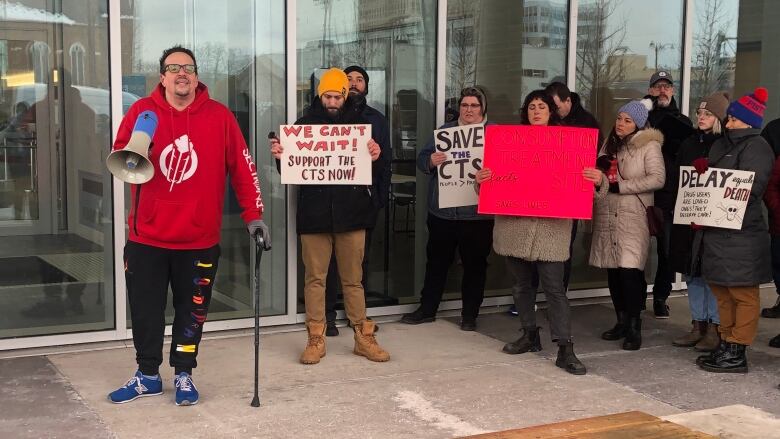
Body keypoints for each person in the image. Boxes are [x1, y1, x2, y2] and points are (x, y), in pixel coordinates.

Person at [107, 46, 270, 406]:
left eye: (189, 68)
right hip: (147, 238)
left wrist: (253, 214)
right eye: (174, 67)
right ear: (162, 76)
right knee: (146, 311)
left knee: (192, 312)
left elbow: (243, 169)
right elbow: (122, 155)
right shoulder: (141, 111)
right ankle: (147, 374)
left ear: (196, 76)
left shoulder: (220, 117)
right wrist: (139, 149)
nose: (182, 73)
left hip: (198, 240)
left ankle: (183, 373)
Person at [270, 67, 389, 365]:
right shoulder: (303, 126)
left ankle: (363, 336)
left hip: (353, 213)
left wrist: (375, 156)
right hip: (315, 214)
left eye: (337, 96)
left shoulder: (362, 126)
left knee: (353, 280)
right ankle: (315, 338)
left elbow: (370, 172)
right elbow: (291, 172)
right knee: (315, 279)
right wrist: (280, 158)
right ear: (320, 96)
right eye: (327, 96)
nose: (332, 101)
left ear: (346, 95)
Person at [476, 90, 595, 375]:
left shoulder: (570, 144)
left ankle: (565, 348)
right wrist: (482, 181)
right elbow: (490, 185)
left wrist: (597, 179)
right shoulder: (508, 143)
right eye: (531, 107)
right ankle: (530, 334)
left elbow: (590, 193)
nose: (536, 111)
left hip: (550, 231)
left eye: (542, 106)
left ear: (551, 112)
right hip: (515, 228)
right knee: (520, 286)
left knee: (554, 289)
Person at [399, 86, 494, 331]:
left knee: (475, 266)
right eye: (465, 105)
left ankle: (470, 315)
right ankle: (427, 309)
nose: (469, 110)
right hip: (442, 212)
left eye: (474, 105)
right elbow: (422, 159)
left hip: (477, 214)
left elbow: (506, 169)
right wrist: (431, 161)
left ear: (482, 108)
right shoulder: (445, 131)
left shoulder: (493, 134)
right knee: (437, 263)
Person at [696, 88, 774, 373]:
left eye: (732, 120)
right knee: (722, 291)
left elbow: (751, 189)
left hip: (742, 233)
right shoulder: (722, 145)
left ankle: (738, 349)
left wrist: (714, 187)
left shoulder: (757, 147)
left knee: (742, 293)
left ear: (746, 121)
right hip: (717, 231)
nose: (727, 123)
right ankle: (726, 342)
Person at [591, 99, 665, 351]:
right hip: (607, 212)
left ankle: (634, 325)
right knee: (613, 270)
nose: (621, 124)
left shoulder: (649, 145)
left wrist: (620, 186)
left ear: (638, 124)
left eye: (627, 120)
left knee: (630, 271)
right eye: (619, 118)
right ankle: (621, 320)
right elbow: (597, 174)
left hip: (633, 215)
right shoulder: (609, 144)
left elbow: (657, 178)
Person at [324, 65, 392, 337]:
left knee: (357, 265)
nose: (354, 83)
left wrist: (378, 197)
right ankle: (327, 317)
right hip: (327, 203)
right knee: (326, 264)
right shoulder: (322, 117)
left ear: (366, 86)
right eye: (348, 79)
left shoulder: (376, 119)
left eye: (359, 79)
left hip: (362, 200)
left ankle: (357, 319)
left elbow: (385, 160)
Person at [669, 92, 728, 352]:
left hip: (714, 223)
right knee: (692, 274)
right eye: (699, 113)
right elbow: (677, 179)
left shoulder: (726, 145)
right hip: (688, 219)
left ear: (719, 118)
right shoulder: (689, 143)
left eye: (707, 113)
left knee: (711, 276)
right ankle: (697, 324)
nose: (701, 117)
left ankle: (715, 328)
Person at [544, 81, 603, 291]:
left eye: (556, 107)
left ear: (568, 101)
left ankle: (560, 292)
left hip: (570, 193)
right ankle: (531, 295)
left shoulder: (587, 123)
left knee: (563, 247)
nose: (554, 112)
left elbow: (597, 159)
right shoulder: (546, 119)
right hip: (543, 191)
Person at [645, 70, 693, 319]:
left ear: (673, 91)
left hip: (669, 196)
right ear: (650, 90)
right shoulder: (640, 117)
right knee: (638, 250)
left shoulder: (683, 122)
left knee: (666, 251)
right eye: (658, 86)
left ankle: (661, 297)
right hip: (641, 194)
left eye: (667, 86)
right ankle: (636, 295)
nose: (663, 90)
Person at [760, 117, 780, 320]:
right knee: (778, 266)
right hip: (778, 223)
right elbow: (770, 180)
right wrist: (776, 208)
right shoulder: (774, 129)